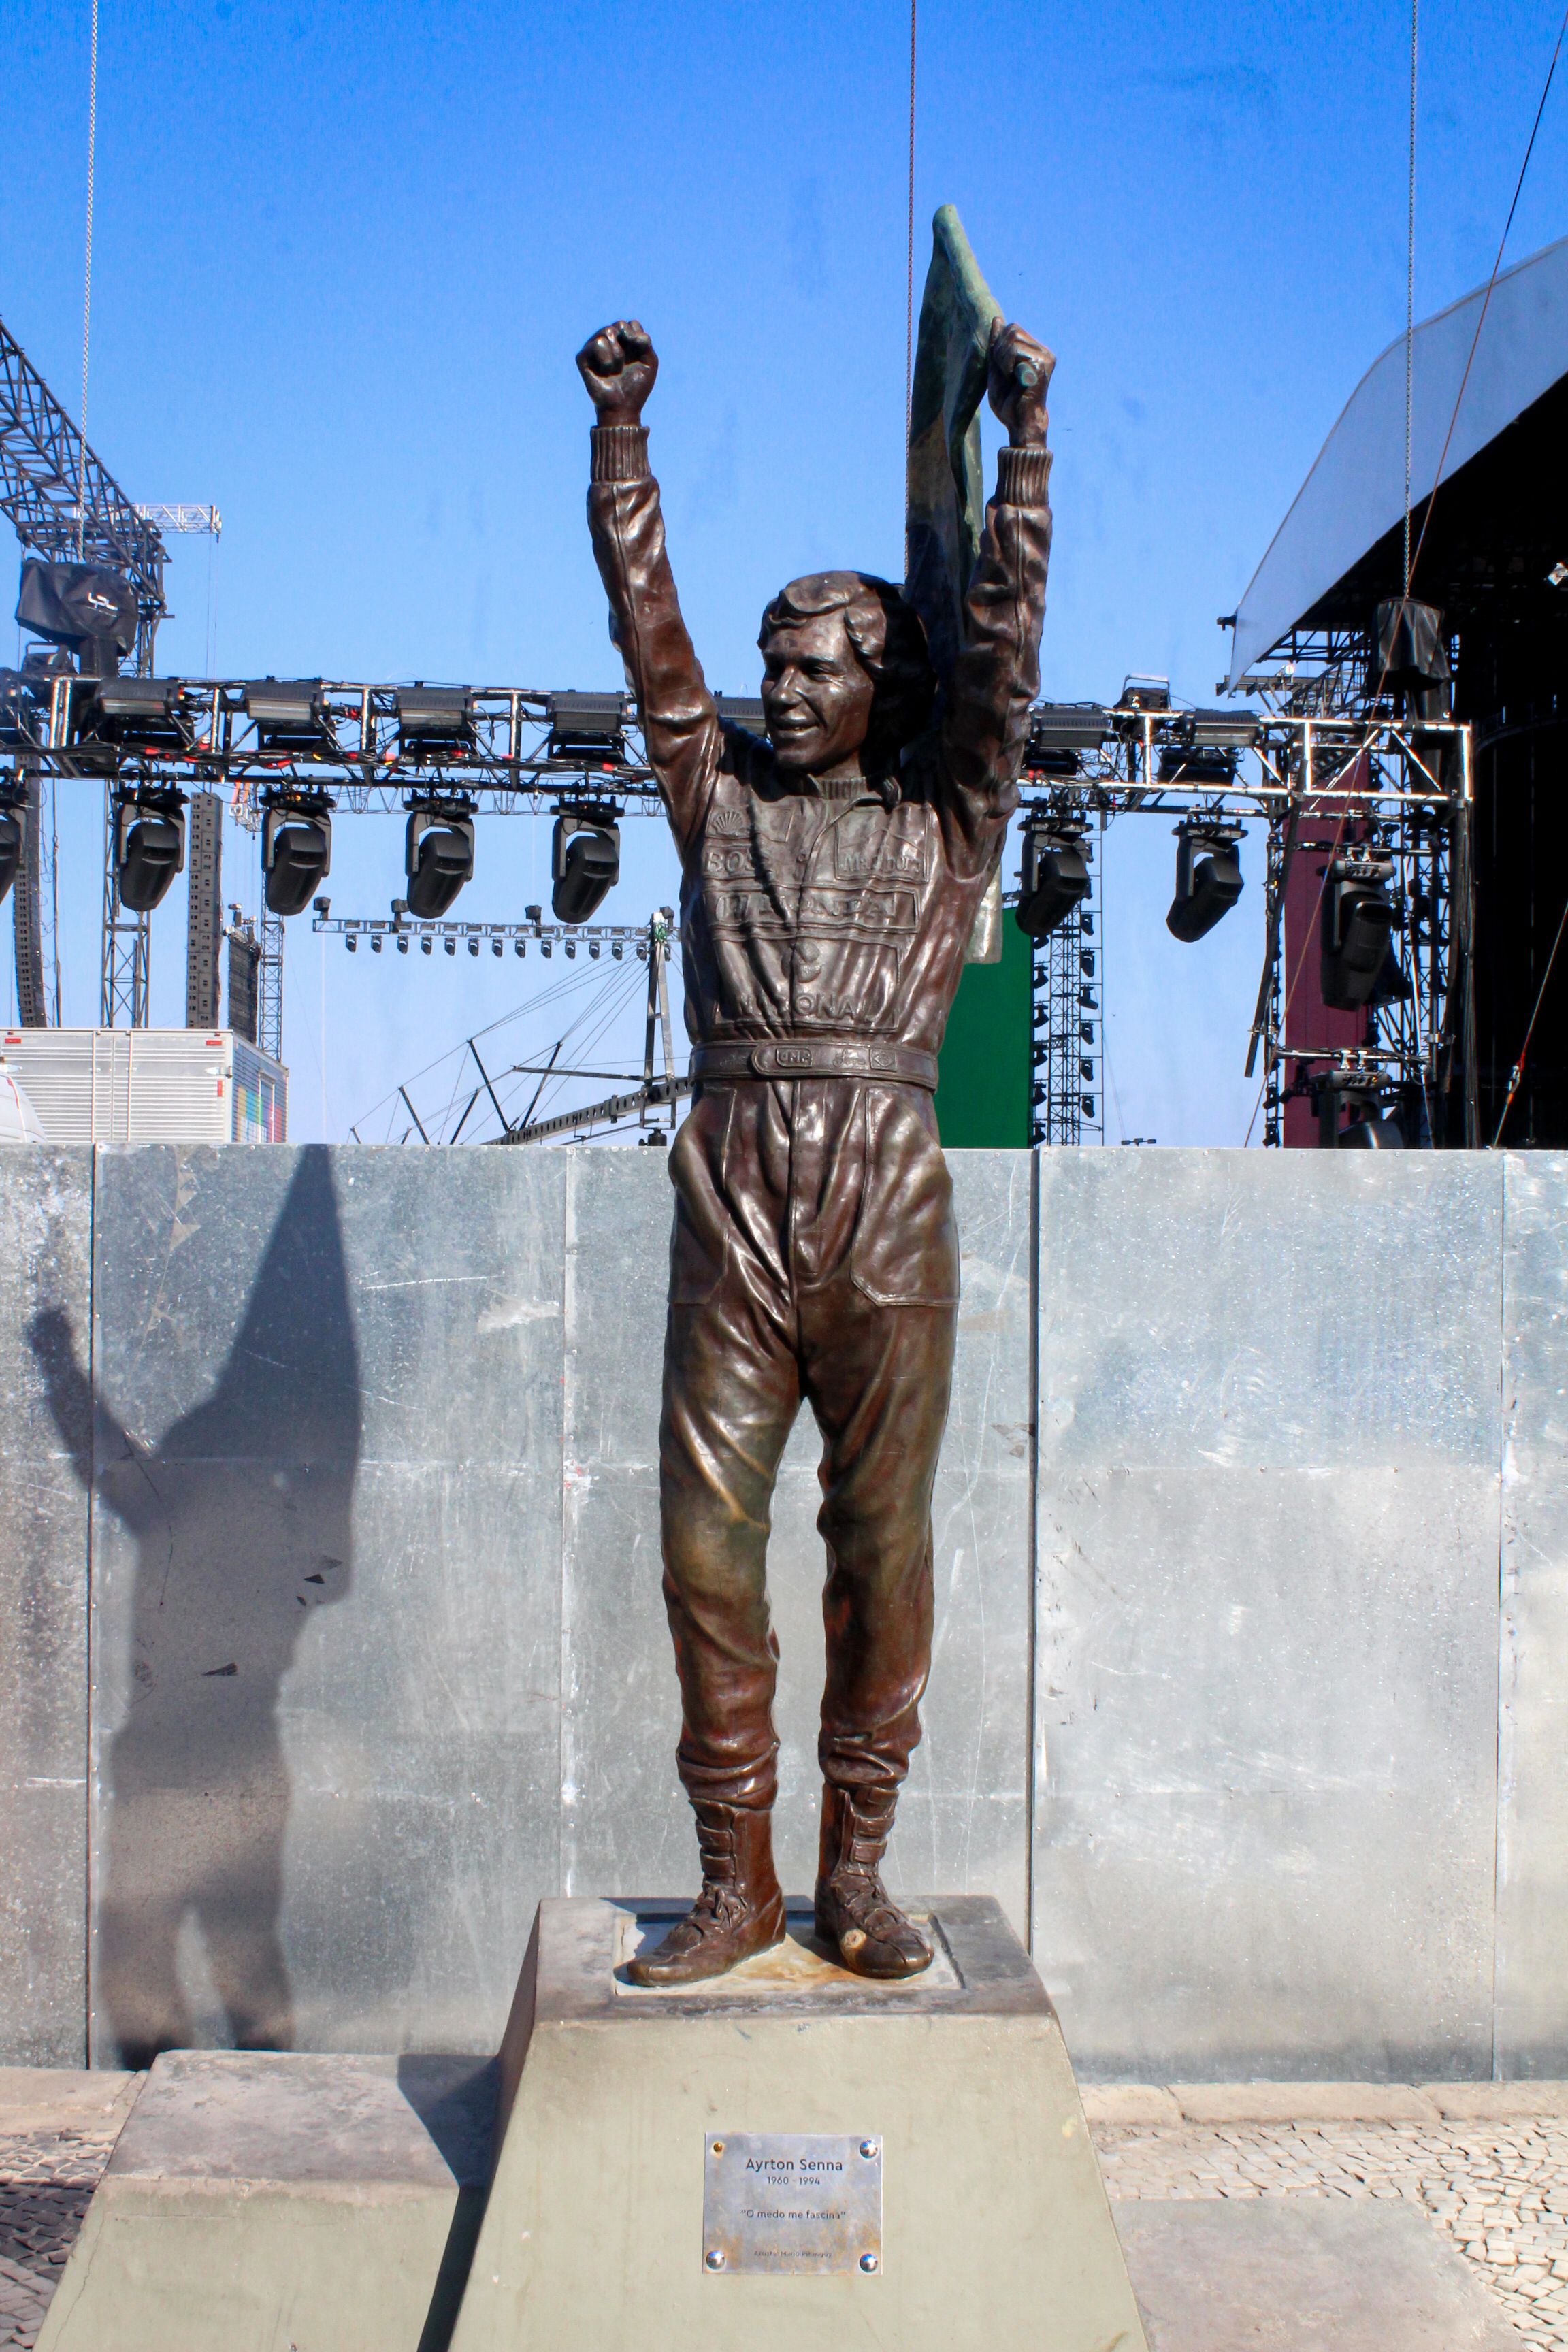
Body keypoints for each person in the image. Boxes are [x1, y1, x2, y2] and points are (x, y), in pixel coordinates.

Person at [579, 312, 1051, 1984]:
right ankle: (734, 1883)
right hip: (734, 1182)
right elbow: (650, 635)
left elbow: (1003, 653)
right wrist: (625, 438)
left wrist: (1029, 450)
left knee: (884, 1549)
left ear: (881, 686)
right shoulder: (717, 802)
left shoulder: (945, 817)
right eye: (771, 664)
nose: (778, 690)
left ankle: (854, 1874)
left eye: (814, 666)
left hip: (887, 1200)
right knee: (702, 1545)